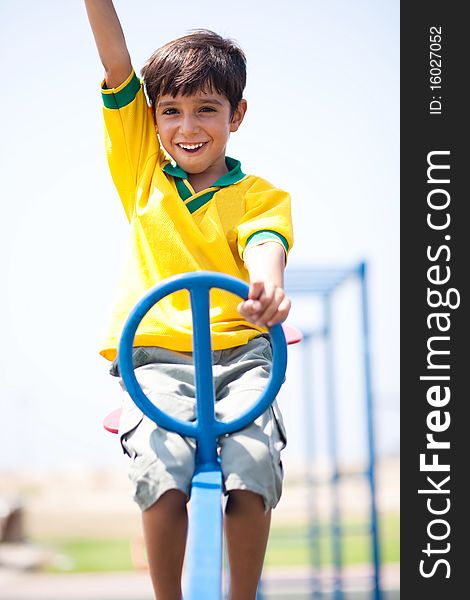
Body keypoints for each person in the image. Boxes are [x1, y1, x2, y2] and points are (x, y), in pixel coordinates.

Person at [84, 2, 293, 598]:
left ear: (237, 115)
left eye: (207, 109)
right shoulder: (143, 173)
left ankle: (241, 593)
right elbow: (116, 63)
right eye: (171, 111)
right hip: (155, 363)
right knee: (162, 463)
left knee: (252, 459)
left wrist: (266, 287)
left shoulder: (260, 195)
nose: (188, 126)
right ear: (152, 120)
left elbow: (265, 245)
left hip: (245, 360)